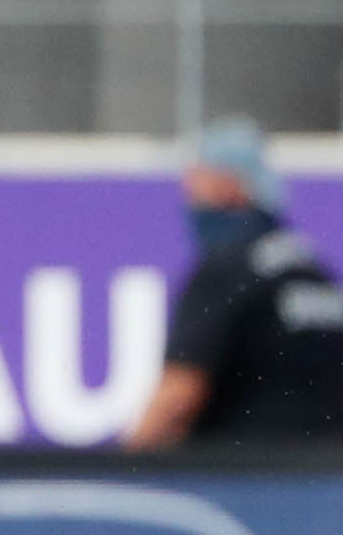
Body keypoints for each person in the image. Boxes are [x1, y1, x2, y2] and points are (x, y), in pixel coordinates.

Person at [126, 115, 341, 448]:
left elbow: (177, 395)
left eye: (195, 178)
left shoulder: (226, 271)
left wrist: (126, 467)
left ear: (225, 185)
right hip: (324, 473)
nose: (187, 193)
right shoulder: (314, 272)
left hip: (247, 473)